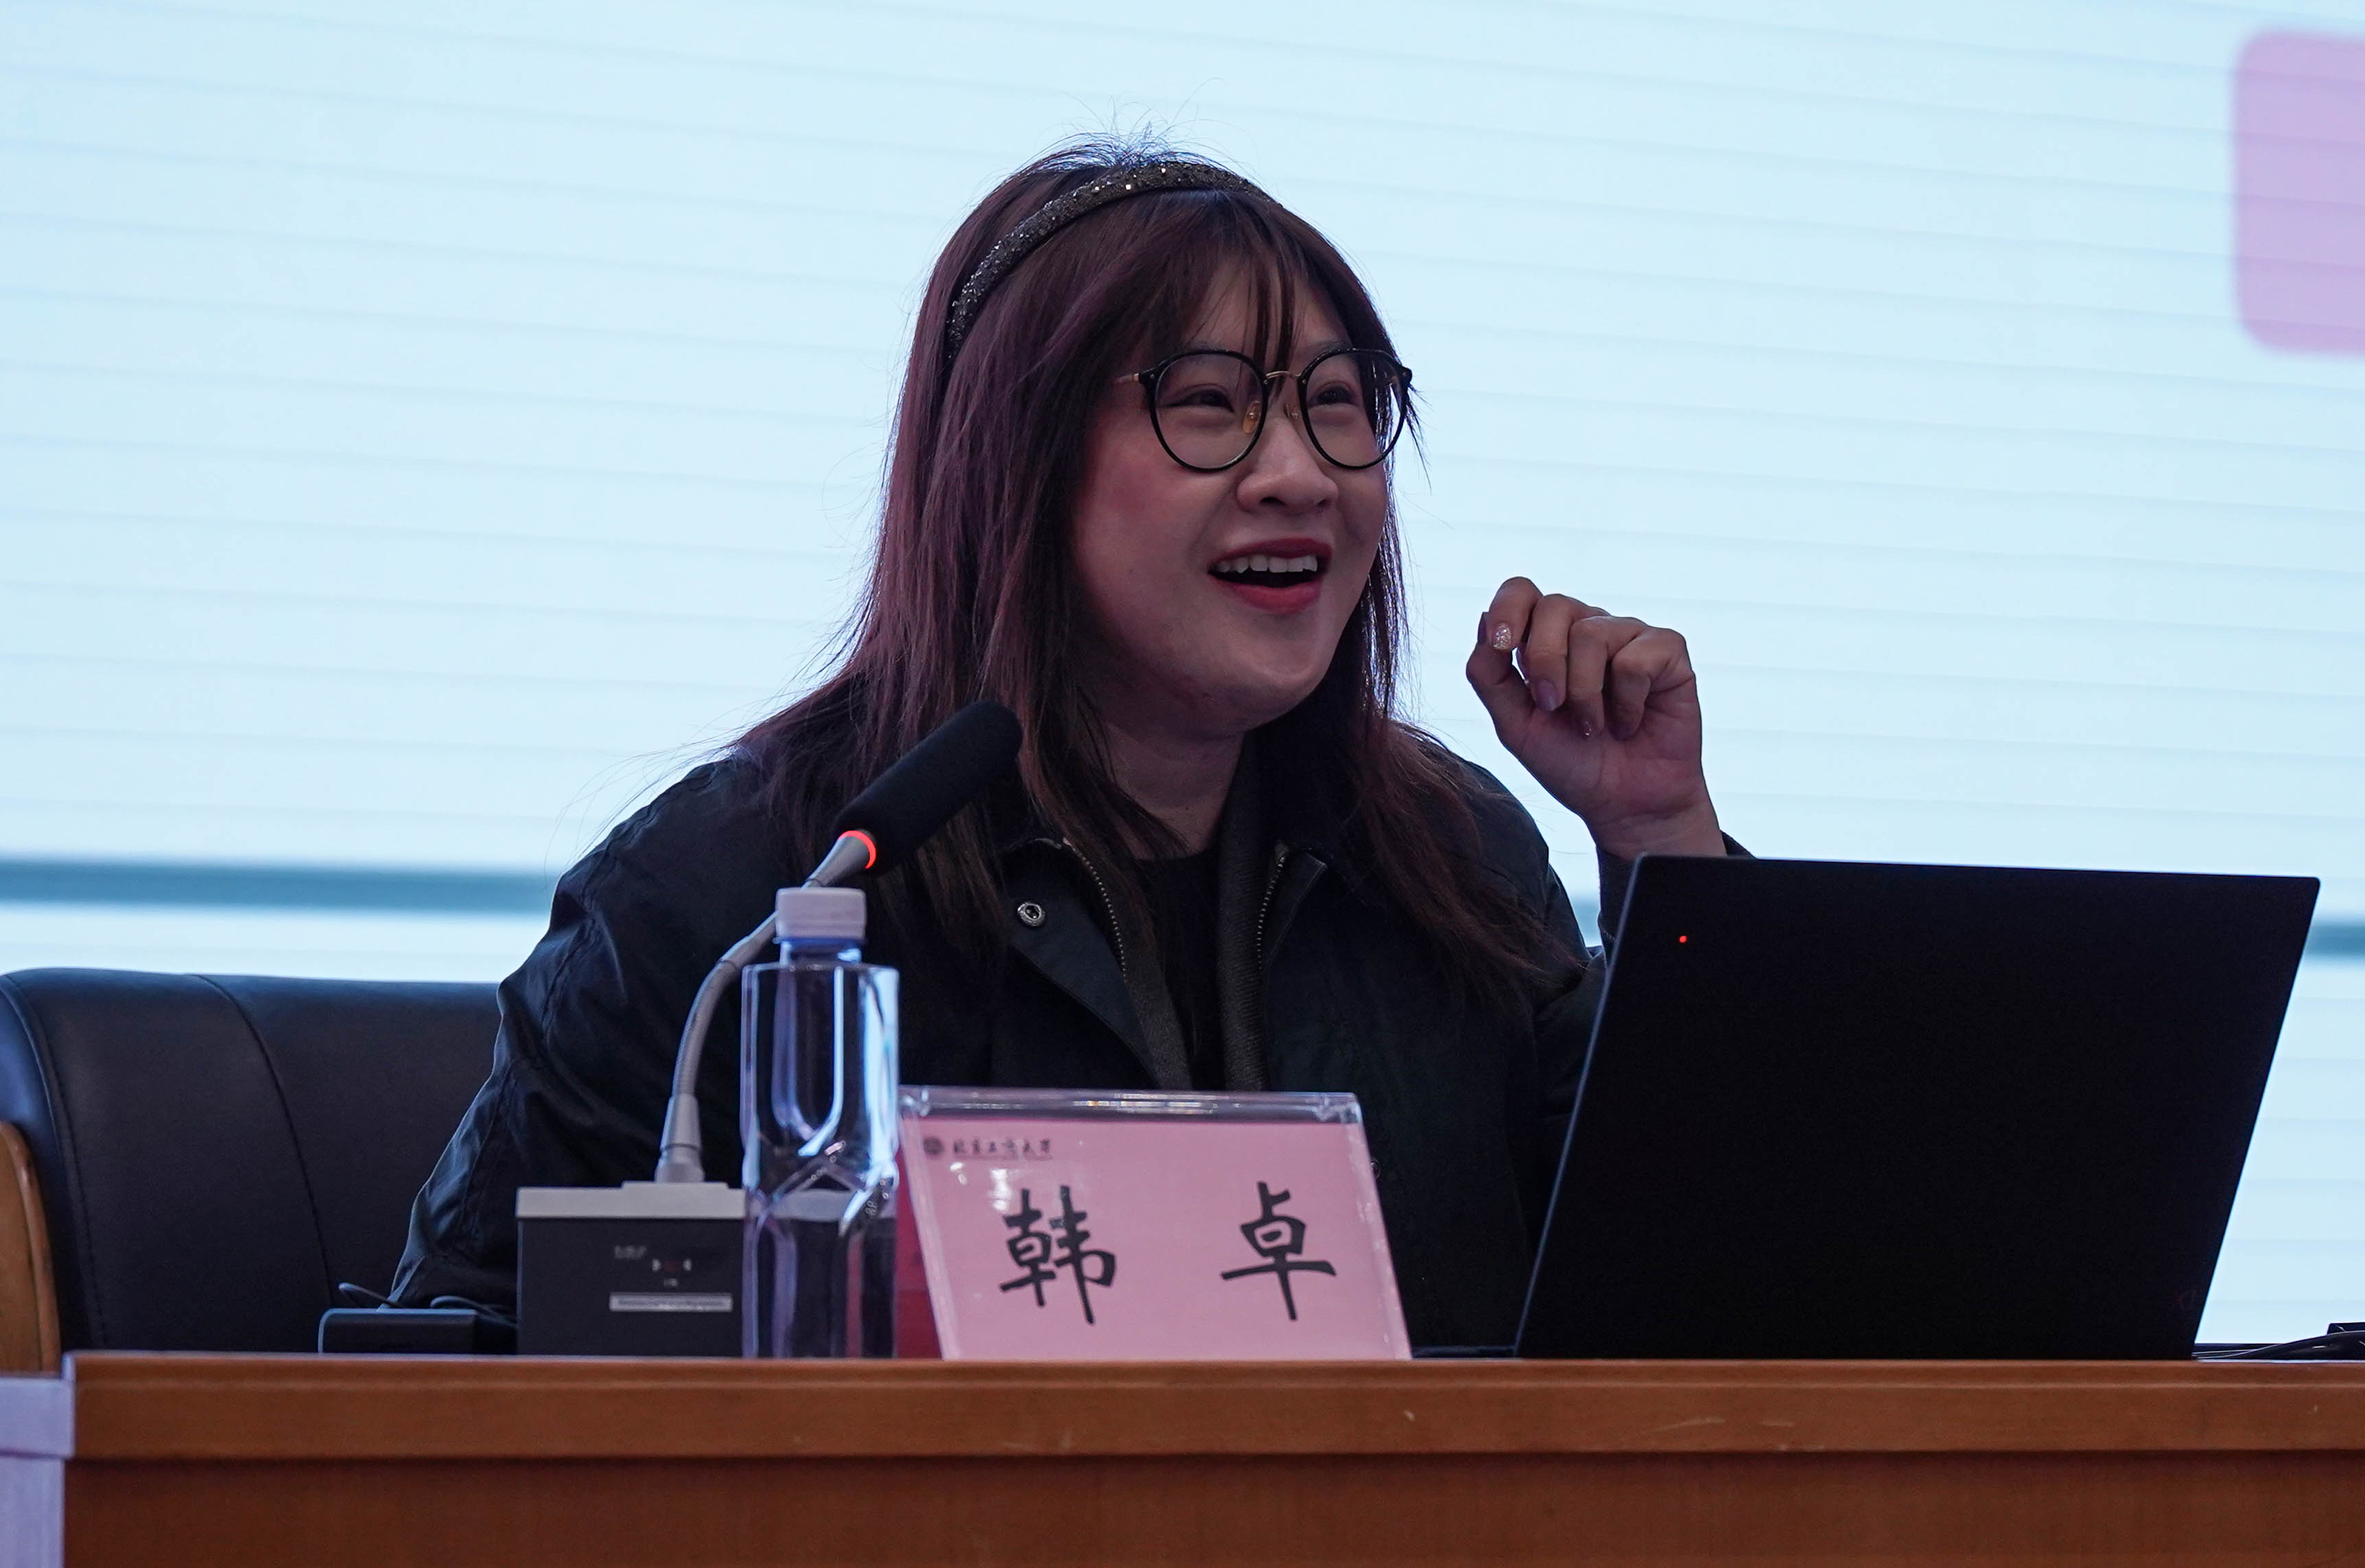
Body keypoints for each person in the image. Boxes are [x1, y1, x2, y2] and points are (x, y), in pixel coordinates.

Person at [391, 141, 1733, 1350]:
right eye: (1207, 402)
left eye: (1339, 401)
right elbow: (445, 1394)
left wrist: (1659, 843)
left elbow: (1702, 1297)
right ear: (1015, 459)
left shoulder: (1450, 855)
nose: (1300, 473)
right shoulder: (740, 890)